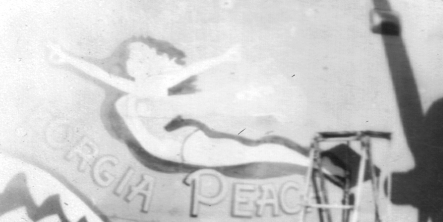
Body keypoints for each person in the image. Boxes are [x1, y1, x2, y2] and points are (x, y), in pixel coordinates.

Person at [48, 37, 308, 168]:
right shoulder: (135, 87)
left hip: (183, 146)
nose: (132, 62)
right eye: (131, 58)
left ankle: (309, 162)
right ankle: (308, 162)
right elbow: (100, 74)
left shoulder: (155, 84)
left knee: (254, 152)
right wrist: (67, 58)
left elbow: (194, 68)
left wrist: (225, 58)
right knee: (252, 151)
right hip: (181, 145)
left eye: (140, 57)